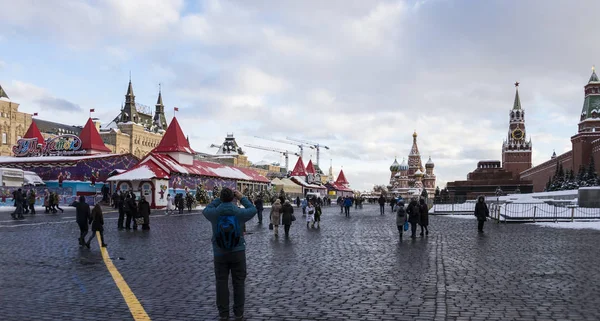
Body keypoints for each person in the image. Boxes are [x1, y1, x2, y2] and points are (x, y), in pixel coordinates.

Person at [202, 188, 257, 321]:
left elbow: (206, 209)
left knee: (221, 283)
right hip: (238, 252)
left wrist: (219, 200)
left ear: (221, 197)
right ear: (233, 198)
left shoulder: (214, 213)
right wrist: (241, 197)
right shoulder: (239, 212)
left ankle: (223, 313)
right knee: (238, 283)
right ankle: (238, 313)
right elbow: (253, 209)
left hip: (219, 253)